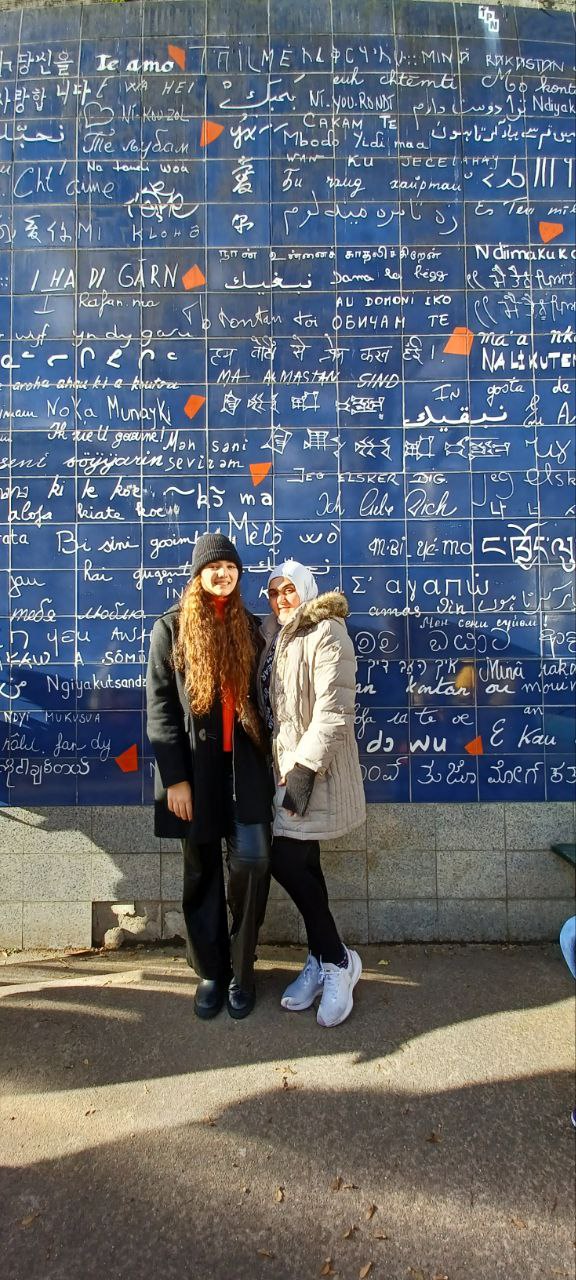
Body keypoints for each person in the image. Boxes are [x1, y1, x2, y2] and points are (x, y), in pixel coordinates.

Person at [146, 533, 272, 1020]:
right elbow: (160, 708)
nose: (223, 574)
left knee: (252, 863)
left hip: (245, 769)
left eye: (231, 567)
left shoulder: (251, 628)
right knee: (201, 873)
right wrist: (175, 780)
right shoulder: (171, 628)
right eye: (213, 568)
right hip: (195, 774)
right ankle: (211, 971)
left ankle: (242, 967)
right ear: (198, 575)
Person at [259, 559, 366, 1027]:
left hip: (311, 774)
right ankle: (321, 958)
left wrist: (303, 770)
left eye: (289, 589)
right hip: (285, 770)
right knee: (304, 864)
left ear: (306, 589)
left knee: (284, 860)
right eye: (274, 592)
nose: (282, 598)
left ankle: (338, 960)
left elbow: (334, 710)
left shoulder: (327, 632)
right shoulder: (279, 636)